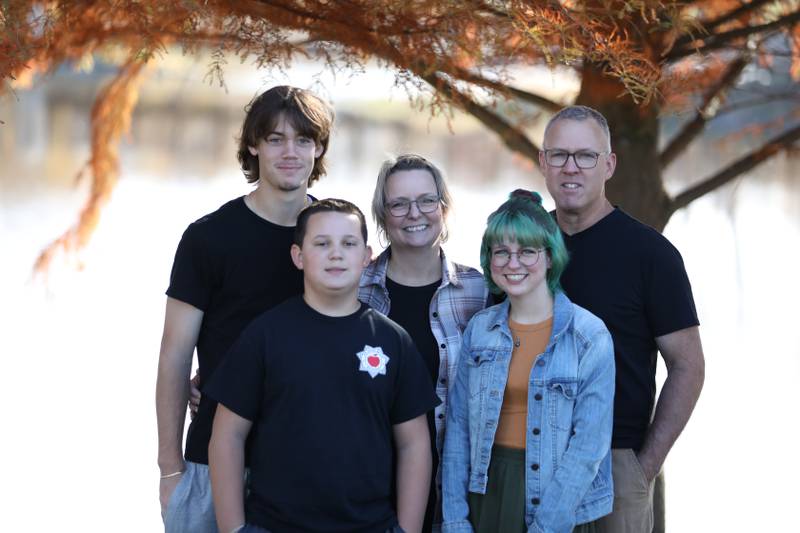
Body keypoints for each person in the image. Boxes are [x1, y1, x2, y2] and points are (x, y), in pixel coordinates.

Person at [155, 85, 334, 532]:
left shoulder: (334, 240)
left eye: (303, 140)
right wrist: (170, 470)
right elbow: (174, 356)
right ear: (253, 146)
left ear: (319, 148)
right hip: (212, 464)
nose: (289, 152)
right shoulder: (209, 238)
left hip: (310, 469)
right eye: (275, 139)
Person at [206, 199, 439, 533]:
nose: (336, 253)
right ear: (298, 256)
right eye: (321, 243)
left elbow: (414, 443)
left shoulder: (393, 341)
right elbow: (227, 435)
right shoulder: (265, 336)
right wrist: (233, 529)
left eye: (348, 243)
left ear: (366, 256)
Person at [540, 105, 705, 533]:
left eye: (585, 156)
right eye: (558, 155)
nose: (570, 167)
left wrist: (643, 466)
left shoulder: (650, 255)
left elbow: (688, 366)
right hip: (532, 457)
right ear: (542, 162)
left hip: (615, 465)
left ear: (609, 164)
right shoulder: (522, 248)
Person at [442, 190, 615, 533]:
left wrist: (546, 527)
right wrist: (455, 518)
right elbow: (458, 428)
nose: (513, 263)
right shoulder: (480, 329)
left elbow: (588, 447)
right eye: (501, 252)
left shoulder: (588, 336)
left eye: (527, 252)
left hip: (558, 502)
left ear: (550, 257)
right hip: (486, 493)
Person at [359, 154, 489, 531]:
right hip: (369, 484)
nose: (414, 213)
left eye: (426, 201)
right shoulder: (355, 289)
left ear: (443, 208)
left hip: (455, 486)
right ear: (383, 215)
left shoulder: (479, 292)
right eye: (398, 204)